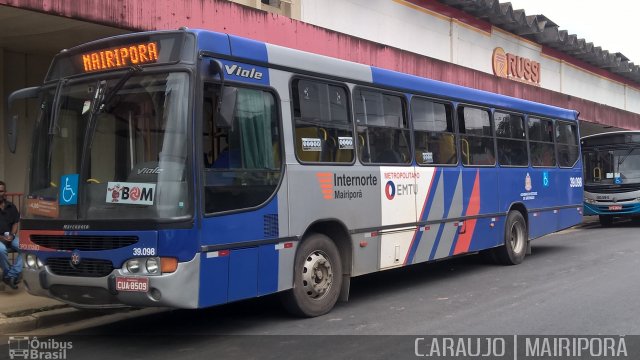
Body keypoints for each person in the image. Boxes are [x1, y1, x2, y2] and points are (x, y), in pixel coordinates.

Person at [0, 180, 22, 289]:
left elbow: (15, 223)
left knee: (27, 247)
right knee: (1, 249)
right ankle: (10, 275)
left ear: (5, 192)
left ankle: (10, 275)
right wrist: (2, 238)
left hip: (10, 237)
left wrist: (12, 235)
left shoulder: (11, 206)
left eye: (1, 191)